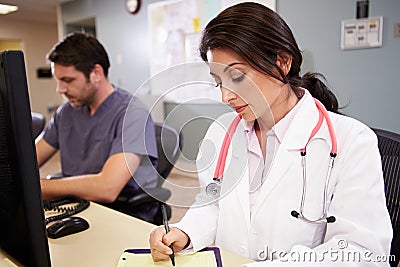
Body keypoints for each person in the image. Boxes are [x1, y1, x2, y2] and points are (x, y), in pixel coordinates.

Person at [149, 2, 392, 266]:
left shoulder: (352, 142)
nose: (225, 96)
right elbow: (211, 205)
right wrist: (185, 233)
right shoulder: (220, 134)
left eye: (237, 77)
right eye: (218, 82)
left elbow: (361, 252)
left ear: (283, 62)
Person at [36, 32, 159, 222]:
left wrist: (35, 187)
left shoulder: (132, 113)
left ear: (96, 74)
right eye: (57, 80)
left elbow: (107, 188)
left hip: (122, 214)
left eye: (67, 80)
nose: (60, 89)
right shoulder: (66, 112)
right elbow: (28, 159)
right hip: (78, 208)